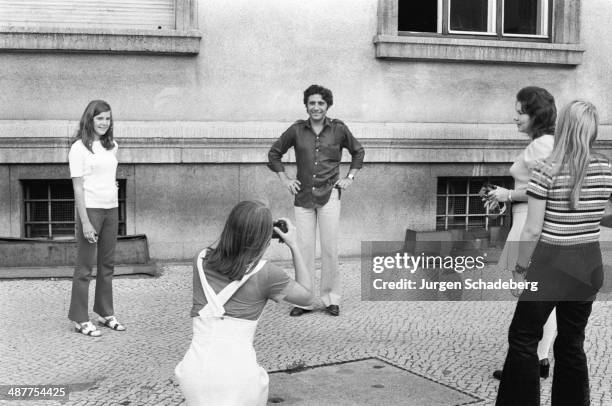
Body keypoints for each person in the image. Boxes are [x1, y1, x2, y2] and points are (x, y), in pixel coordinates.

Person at [495, 100, 612, 406]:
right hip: (588, 266)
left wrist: (520, 270)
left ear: (562, 129)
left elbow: (532, 230)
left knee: (522, 339)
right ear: (593, 131)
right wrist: (588, 215)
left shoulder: (546, 170)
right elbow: (601, 213)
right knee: (572, 343)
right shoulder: (605, 168)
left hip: (550, 265)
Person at [174, 201, 313, 405]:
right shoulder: (267, 274)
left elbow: (223, 249)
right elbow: (307, 297)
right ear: (265, 238)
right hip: (238, 377)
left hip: (194, 373)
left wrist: (242, 227)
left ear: (230, 228)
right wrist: (294, 245)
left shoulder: (200, 259)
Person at [268, 84, 365, 317]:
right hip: (303, 197)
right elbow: (274, 153)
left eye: (321, 103)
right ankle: (305, 300)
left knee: (330, 249)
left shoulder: (339, 129)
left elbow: (358, 152)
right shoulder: (296, 130)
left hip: (330, 194)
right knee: (304, 250)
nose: (316, 107)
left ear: (327, 106)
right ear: (306, 106)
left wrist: (349, 177)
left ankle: (331, 298)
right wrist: (285, 179)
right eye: (312, 103)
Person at [487, 86, 557, 380]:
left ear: (535, 114)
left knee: (533, 295)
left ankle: (530, 360)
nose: (515, 118)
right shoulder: (543, 142)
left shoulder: (542, 145)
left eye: (521, 112)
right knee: (540, 294)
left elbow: (545, 187)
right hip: (528, 219)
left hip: (532, 223)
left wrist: (508, 194)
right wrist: (506, 198)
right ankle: (539, 358)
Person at [68, 100, 125, 337]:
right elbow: (78, 188)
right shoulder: (79, 148)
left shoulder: (112, 146)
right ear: (90, 119)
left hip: (111, 209)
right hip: (90, 210)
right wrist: (86, 222)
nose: (104, 123)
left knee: (107, 265)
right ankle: (79, 318)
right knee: (85, 267)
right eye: (100, 118)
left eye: (108, 118)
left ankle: (104, 312)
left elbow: (110, 176)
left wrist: (113, 190)